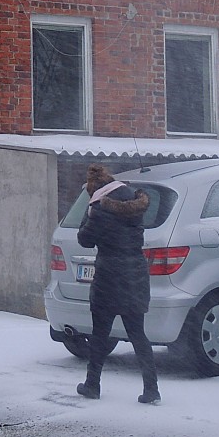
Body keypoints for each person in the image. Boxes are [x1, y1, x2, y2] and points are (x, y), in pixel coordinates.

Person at [74, 163, 160, 404]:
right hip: (135, 274)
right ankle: (151, 388)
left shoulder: (100, 212)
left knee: (100, 334)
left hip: (109, 277)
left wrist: (88, 213)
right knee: (138, 334)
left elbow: (84, 239)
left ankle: (92, 385)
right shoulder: (135, 204)